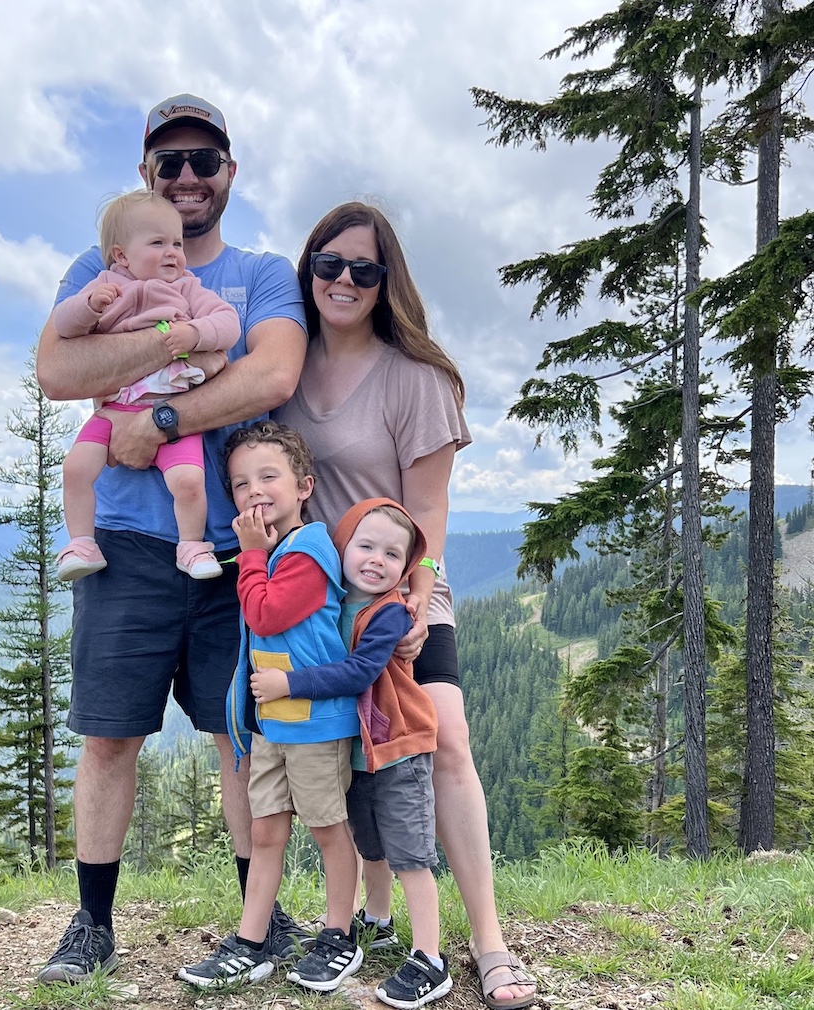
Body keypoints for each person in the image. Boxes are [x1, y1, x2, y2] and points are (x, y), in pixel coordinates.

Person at [34, 93, 308, 984]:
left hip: (239, 549)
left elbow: (272, 370)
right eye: (170, 163)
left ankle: (259, 916)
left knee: (242, 737)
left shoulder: (265, 272)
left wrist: (156, 413)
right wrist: (175, 345)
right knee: (109, 735)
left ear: (229, 172)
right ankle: (91, 923)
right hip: (120, 540)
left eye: (203, 161)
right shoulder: (100, 262)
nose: (186, 178)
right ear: (148, 174)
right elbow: (58, 370)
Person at [274, 202, 538, 1009]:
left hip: (400, 594)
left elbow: (428, 521)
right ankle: (356, 919)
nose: (344, 280)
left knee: (443, 741)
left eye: (363, 268)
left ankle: (487, 942)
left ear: (387, 282)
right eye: (330, 263)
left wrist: (415, 605)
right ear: (309, 267)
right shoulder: (282, 367)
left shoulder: (414, 379)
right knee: (337, 758)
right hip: (316, 606)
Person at [179, 420, 362, 992]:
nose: (254, 490)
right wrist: (256, 555)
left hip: (317, 721)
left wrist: (252, 555)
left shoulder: (309, 549)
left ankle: (339, 936)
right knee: (264, 833)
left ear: (303, 487)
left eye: (268, 477)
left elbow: (267, 615)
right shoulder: (271, 550)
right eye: (239, 484)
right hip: (272, 725)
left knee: (329, 828)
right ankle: (252, 940)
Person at [271, 497, 453, 1007]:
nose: (376, 560)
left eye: (392, 555)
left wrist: (290, 683)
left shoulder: (390, 612)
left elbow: (358, 673)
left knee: (410, 853)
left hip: (397, 746)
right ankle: (377, 920)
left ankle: (429, 957)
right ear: (342, 547)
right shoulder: (332, 599)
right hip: (358, 750)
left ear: (405, 567)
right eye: (365, 546)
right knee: (367, 841)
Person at [53, 191, 240, 582]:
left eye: (177, 243)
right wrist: (88, 306)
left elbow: (227, 323)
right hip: (115, 410)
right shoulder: (105, 286)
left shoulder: (187, 289)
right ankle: (82, 542)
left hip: (172, 406)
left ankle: (191, 545)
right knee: (76, 469)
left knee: (188, 481)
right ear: (121, 256)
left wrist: (195, 333)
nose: (173, 252)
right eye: (158, 243)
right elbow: (63, 327)